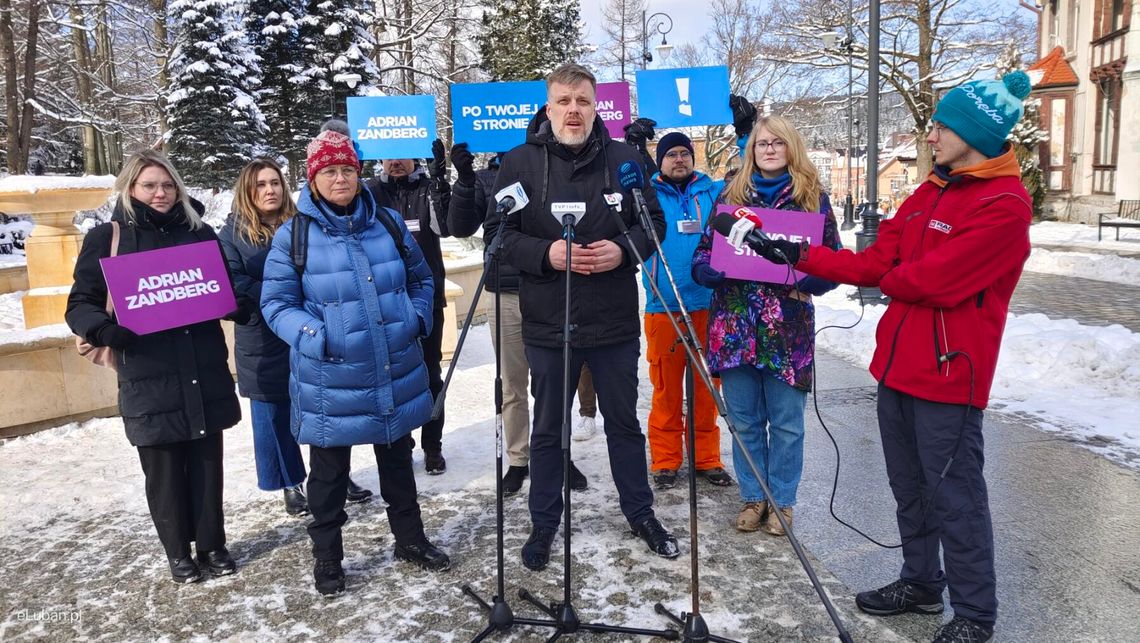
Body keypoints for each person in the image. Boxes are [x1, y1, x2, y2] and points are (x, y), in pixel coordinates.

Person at [758, 72, 1033, 643]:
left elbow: (934, 282)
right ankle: (921, 582)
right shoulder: (932, 189)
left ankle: (976, 614)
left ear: (972, 131)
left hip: (952, 375)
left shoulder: (1005, 206)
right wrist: (797, 253)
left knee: (955, 496)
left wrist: (890, 275)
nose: (931, 136)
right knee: (908, 486)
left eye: (940, 126)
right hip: (898, 368)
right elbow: (875, 260)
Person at [485, 63, 679, 571]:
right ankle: (545, 521)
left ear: (598, 108)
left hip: (612, 322)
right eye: (564, 101)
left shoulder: (626, 159)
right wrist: (545, 254)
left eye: (583, 101)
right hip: (549, 324)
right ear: (549, 108)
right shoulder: (519, 163)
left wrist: (626, 250)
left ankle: (640, 513)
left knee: (623, 425)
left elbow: (653, 223)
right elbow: (497, 238)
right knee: (549, 431)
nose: (574, 110)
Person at [261, 129, 451, 596]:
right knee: (328, 477)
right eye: (329, 171)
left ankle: (410, 541)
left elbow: (421, 278)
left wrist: (416, 317)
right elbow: (276, 305)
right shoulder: (294, 236)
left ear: (358, 171)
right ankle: (327, 558)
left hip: (392, 367)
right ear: (313, 178)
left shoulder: (386, 222)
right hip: (331, 379)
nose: (340, 178)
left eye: (346, 168)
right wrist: (316, 336)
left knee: (398, 464)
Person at [66, 150, 246, 583]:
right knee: (163, 469)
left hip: (202, 366)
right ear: (131, 188)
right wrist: (104, 330)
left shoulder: (200, 233)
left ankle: (212, 544)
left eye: (167, 185)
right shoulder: (108, 236)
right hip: (149, 373)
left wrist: (239, 305)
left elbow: (220, 288)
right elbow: (80, 304)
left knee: (206, 463)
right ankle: (178, 552)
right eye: (149, 185)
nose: (160, 193)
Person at [691, 115, 841, 537]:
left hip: (786, 331)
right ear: (751, 150)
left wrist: (803, 277)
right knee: (744, 419)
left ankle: (783, 501)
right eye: (761, 143)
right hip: (735, 327)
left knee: (787, 422)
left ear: (791, 148)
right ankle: (754, 497)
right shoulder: (730, 195)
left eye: (777, 142)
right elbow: (703, 254)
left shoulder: (813, 200)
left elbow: (833, 265)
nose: (769, 149)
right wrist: (711, 270)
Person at [445, 144, 588, 495]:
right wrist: (464, 181)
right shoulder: (485, 177)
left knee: (554, 382)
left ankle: (558, 451)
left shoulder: (555, 171)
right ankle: (519, 457)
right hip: (505, 290)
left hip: (551, 290)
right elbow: (459, 226)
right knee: (512, 384)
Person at [641, 131, 733, 490]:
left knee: (707, 389)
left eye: (684, 153)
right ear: (660, 160)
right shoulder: (647, 195)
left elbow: (745, 182)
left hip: (708, 306)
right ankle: (665, 460)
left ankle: (706, 458)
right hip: (663, 307)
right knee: (665, 390)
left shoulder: (711, 193)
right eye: (671, 155)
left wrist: (745, 135)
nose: (678, 159)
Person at [219, 159, 309, 516]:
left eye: (275, 183)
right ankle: (290, 482)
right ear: (247, 191)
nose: (270, 190)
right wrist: (281, 293)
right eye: (260, 185)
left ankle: (332, 474)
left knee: (321, 405)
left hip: (305, 327)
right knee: (273, 413)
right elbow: (233, 281)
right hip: (262, 336)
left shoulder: (302, 224)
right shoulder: (231, 235)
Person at [366, 141, 452, 475]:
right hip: (384, 301)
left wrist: (441, 181)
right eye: (389, 154)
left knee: (431, 375)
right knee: (393, 376)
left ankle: (433, 445)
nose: (395, 161)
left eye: (402, 153)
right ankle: (402, 443)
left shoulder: (429, 187)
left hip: (426, 298)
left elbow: (446, 228)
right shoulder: (370, 191)